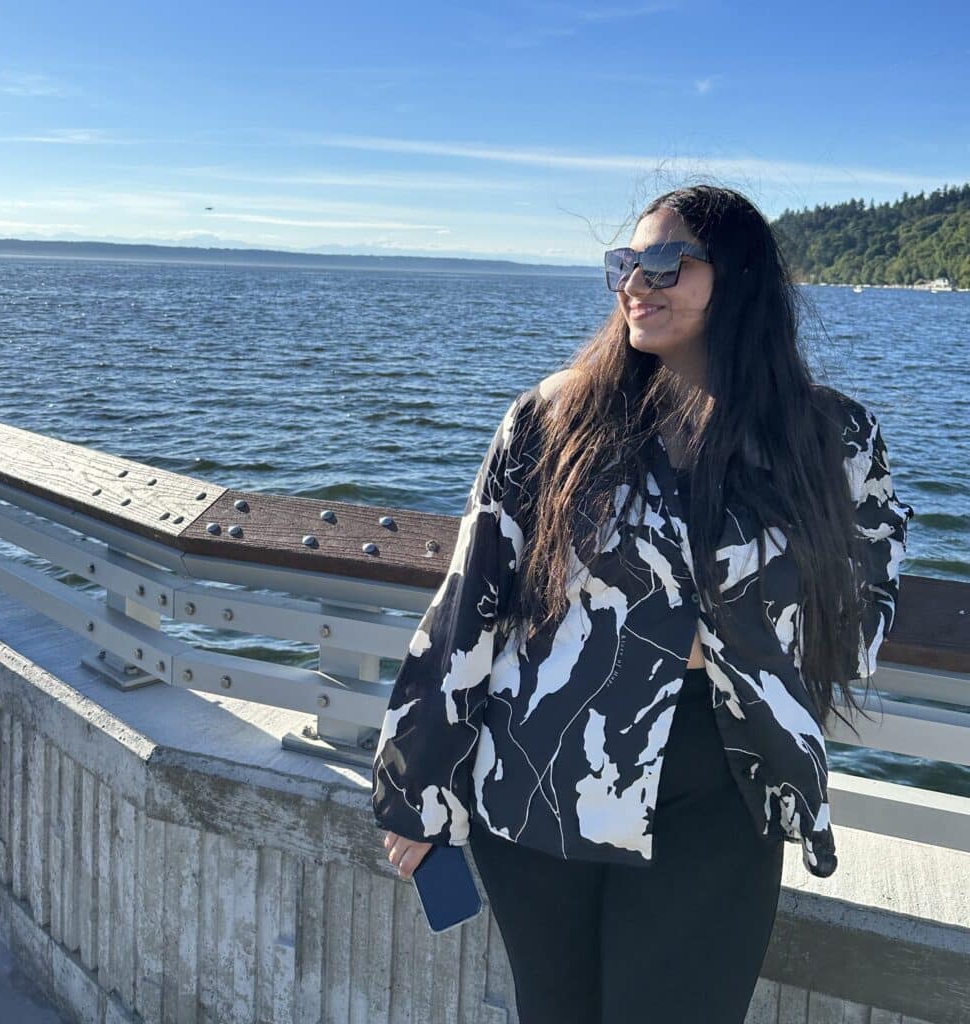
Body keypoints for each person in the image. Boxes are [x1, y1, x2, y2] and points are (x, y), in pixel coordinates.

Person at [370, 184, 915, 1024]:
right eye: (626, 262)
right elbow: (469, 602)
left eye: (665, 263)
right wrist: (416, 785)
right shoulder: (557, 417)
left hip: (724, 779)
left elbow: (874, 566)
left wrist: (804, 669)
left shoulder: (831, 435)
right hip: (546, 767)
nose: (637, 283)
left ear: (737, 280)